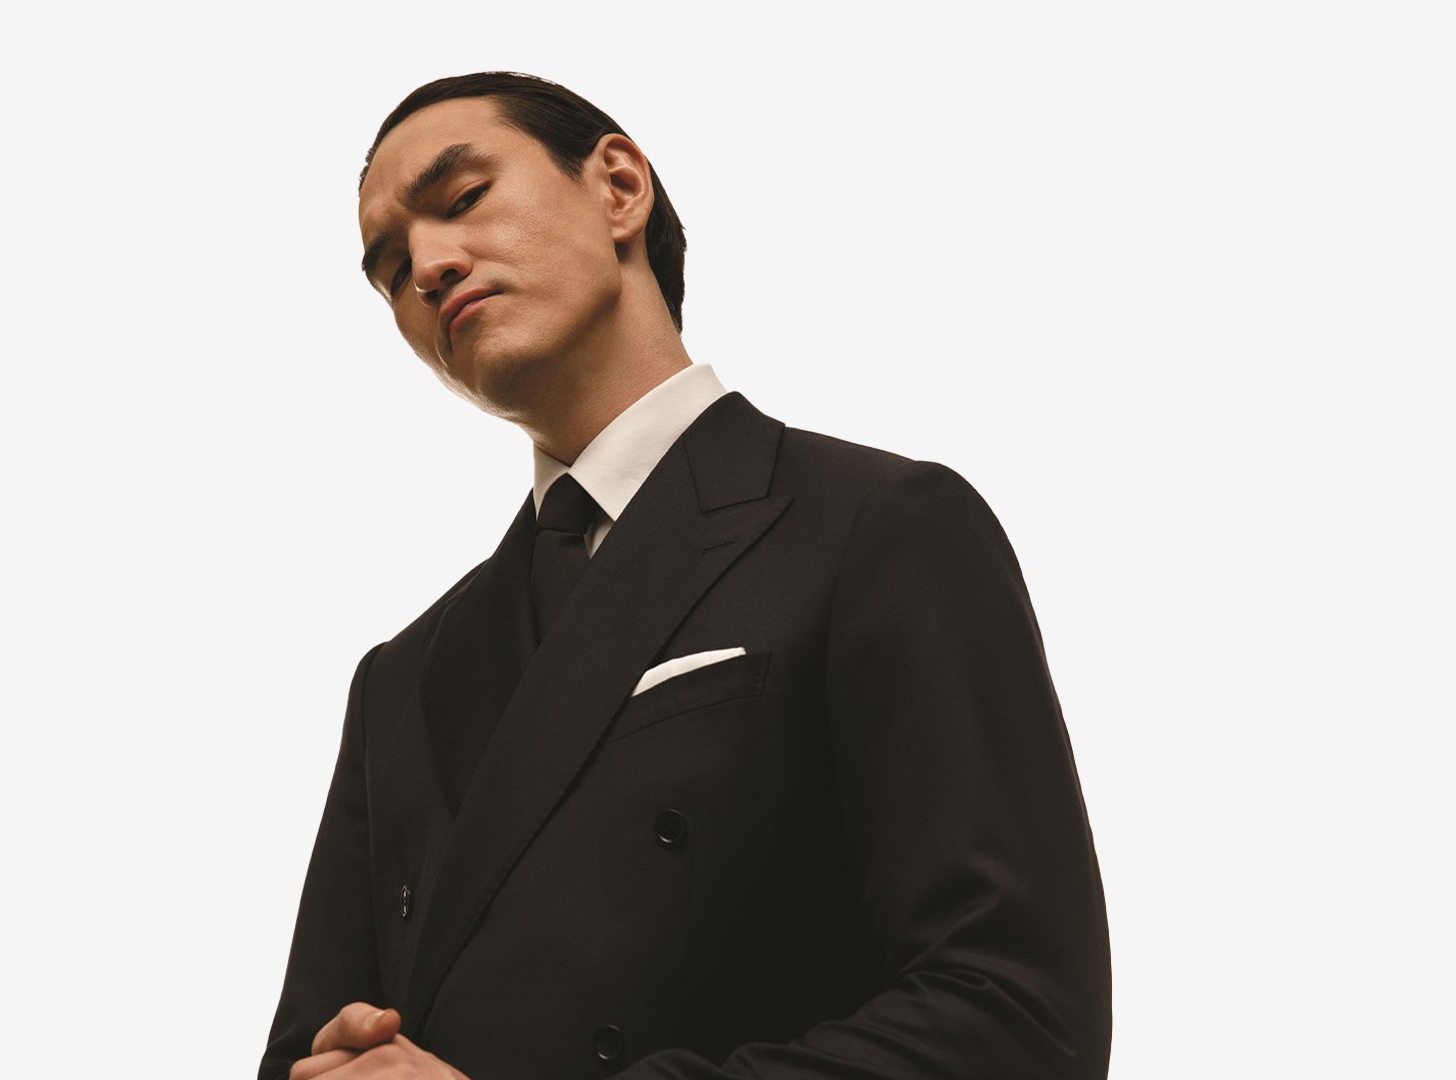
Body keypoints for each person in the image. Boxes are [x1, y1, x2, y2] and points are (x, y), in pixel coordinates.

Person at [258, 71, 1111, 1080]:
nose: (431, 267)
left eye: (464, 197)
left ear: (619, 186)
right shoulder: (399, 681)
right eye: (393, 268)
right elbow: (305, 1049)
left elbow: (1017, 1018)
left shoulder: (878, 527)